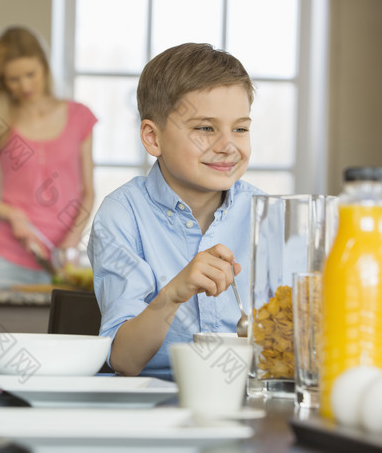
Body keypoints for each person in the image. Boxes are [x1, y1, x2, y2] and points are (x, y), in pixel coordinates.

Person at [87, 43, 264, 379]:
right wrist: (173, 294)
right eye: (205, 128)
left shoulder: (265, 215)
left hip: (248, 399)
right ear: (153, 138)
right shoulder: (122, 215)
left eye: (240, 128)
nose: (228, 145)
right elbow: (125, 360)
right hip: (151, 405)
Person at [0, 26, 97, 288]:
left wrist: (70, 244)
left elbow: (89, 192)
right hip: (6, 259)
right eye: (14, 79)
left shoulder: (79, 116)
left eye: (31, 74)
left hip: (63, 259)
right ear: (1, 81)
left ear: (45, 67)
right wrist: (12, 215)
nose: (25, 85)